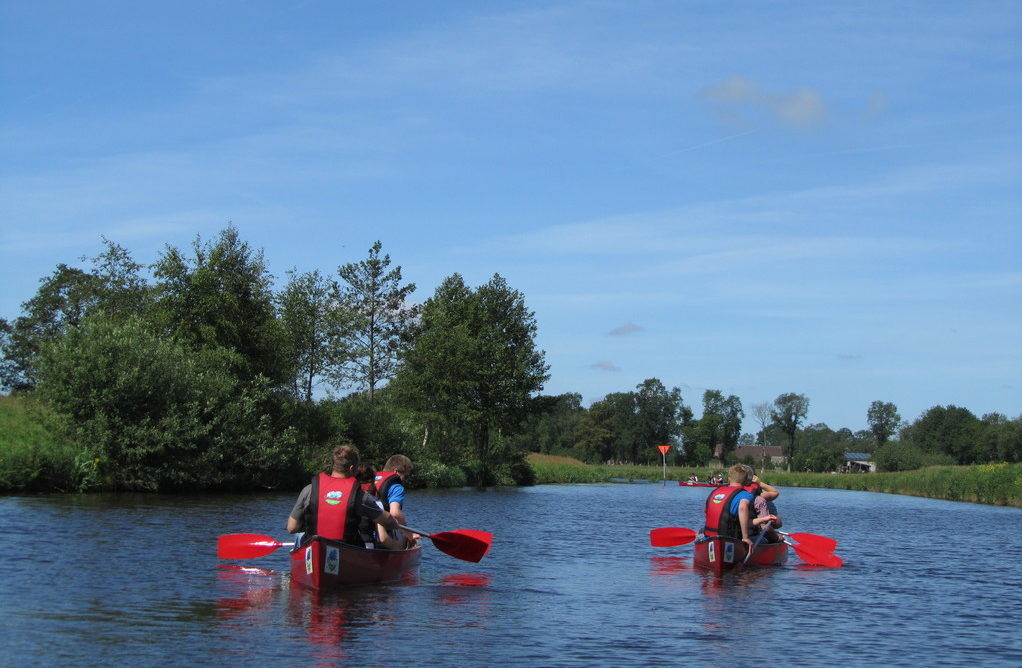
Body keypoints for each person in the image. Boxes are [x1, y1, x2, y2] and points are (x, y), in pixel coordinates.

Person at [286, 445, 402, 549]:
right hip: (345, 551)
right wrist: (394, 524)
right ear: (352, 469)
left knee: (300, 536)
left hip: (313, 547)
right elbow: (387, 521)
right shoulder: (360, 496)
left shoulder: (309, 490)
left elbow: (292, 528)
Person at [701, 464, 757, 551]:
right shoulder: (745, 494)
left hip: (710, 537)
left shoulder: (716, 491)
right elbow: (742, 507)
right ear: (746, 481)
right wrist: (745, 537)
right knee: (761, 539)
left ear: (729, 479)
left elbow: (706, 510)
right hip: (729, 538)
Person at [374, 454, 415, 548]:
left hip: (364, 529)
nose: (405, 480)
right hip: (383, 532)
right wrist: (410, 536)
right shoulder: (397, 487)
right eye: (406, 476)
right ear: (396, 472)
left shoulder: (371, 478)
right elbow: (395, 513)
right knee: (407, 540)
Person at [746, 470, 782, 543]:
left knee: (777, 521)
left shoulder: (732, 494)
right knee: (775, 522)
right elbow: (765, 527)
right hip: (753, 536)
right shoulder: (760, 498)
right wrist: (777, 538)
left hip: (734, 534)